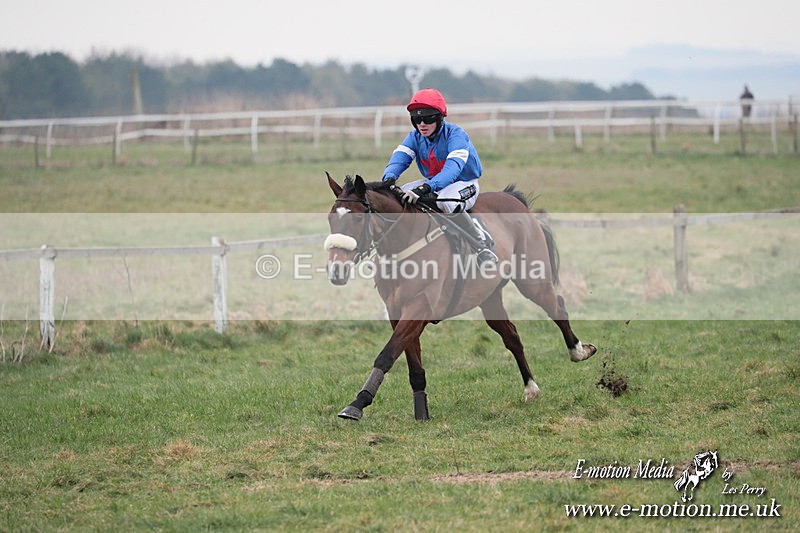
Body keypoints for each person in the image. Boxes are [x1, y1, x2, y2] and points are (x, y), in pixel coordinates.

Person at [382, 88, 498, 264]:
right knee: (401, 195)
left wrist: (427, 187)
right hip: (435, 182)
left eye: (427, 118)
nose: (422, 123)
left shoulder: (456, 135)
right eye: (416, 119)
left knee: (446, 201)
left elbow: (452, 169)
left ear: (439, 118)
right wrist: (389, 178)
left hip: (464, 183)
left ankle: (481, 245)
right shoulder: (414, 136)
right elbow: (400, 158)